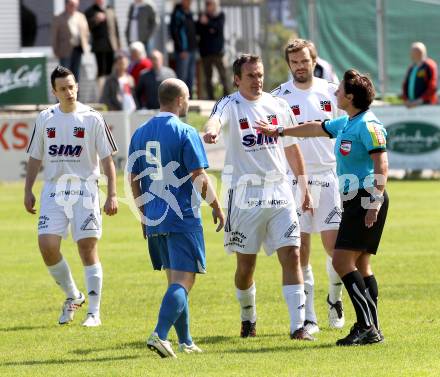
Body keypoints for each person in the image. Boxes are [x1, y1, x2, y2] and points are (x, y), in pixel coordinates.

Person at [256, 69, 389, 346]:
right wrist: (279, 130)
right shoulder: (347, 122)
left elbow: (382, 166)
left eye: (339, 90)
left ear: (350, 97)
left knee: (341, 261)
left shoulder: (369, 125)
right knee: (362, 264)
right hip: (354, 198)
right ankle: (372, 326)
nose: (335, 92)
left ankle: (366, 326)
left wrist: (374, 203)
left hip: (366, 198)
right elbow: (315, 127)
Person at [204, 54, 315, 341]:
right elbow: (215, 121)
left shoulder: (277, 105)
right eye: (251, 75)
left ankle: (298, 327)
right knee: (245, 267)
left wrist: (303, 187)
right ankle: (248, 318)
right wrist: (211, 132)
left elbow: (291, 148)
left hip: (280, 192)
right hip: (245, 196)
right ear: (237, 79)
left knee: (292, 254)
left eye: (261, 74)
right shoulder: (229, 104)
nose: (258, 80)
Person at [128, 78, 225, 358]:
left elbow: (133, 177)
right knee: (184, 280)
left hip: (155, 217)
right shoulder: (185, 131)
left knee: (175, 279)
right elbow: (199, 176)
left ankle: (186, 341)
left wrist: (143, 215)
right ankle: (159, 334)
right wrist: (217, 206)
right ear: (182, 100)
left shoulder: (140, 132)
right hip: (181, 216)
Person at [24, 66, 118, 327]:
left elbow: (108, 159)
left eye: (72, 86)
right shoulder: (45, 118)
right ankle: (73, 295)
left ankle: (94, 313)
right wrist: (28, 189)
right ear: (54, 92)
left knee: (87, 248)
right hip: (54, 190)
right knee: (47, 245)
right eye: (63, 88)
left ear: (77, 86)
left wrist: (112, 194)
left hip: (85, 189)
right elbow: (35, 156)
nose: (69, 92)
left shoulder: (92, 118)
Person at [271, 39, 345, 335]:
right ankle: (309, 317)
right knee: (300, 251)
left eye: (304, 61)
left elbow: (345, 131)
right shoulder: (278, 97)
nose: (300, 66)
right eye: (294, 62)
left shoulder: (331, 92)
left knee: (336, 250)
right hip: (292, 180)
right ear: (289, 65)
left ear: (314, 60)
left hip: (328, 177)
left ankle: (334, 299)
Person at [196, 0, 230, 100]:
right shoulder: (202, 15)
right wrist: (209, 27)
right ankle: (210, 98)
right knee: (208, 77)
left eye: (209, 3)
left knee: (223, 76)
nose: (207, 6)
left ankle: (227, 96)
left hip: (218, 52)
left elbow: (218, 28)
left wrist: (208, 23)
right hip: (205, 52)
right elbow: (198, 30)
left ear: (215, 4)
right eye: (206, 3)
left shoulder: (220, 15)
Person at [85, 0, 121, 91]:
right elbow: (86, 27)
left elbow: (115, 28)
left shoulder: (110, 9)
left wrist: (119, 44)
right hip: (99, 46)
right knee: (101, 71)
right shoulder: (90, 11)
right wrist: (96, 19)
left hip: (111, 45)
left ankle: (111, 91)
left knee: (111, 70)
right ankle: (102, 93)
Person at [51, 0, 90, 82]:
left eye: (76, 5)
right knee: (65, 73)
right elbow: (54, 35)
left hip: (78, 49)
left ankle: (75, 94)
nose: (74, 6)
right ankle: (64, 94)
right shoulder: (58, 17)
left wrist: (85, 44)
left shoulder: (81, 16)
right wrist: (55, 49)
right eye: (72, 4)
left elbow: (86, 32)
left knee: (76, 73)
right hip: (65, 50)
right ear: (66, 5)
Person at [170, 0, 198, 98]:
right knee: (182, 77)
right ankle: (180, 98)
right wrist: (181, 49)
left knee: (191, 76)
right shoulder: (177, 13)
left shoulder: (190, 13)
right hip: (183, 51)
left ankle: (189, 98)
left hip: (192, 50)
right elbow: (175, 32)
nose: (190, 2)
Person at [402, 42, 438, 107]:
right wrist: (406, 100)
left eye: (412, 52)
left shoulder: (429, 66)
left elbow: (433, 86)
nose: (410, 54)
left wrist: (421, 100)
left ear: (418, 53)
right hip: (411, 105)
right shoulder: (411, 67)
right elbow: (405, 85)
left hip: (426, 105)